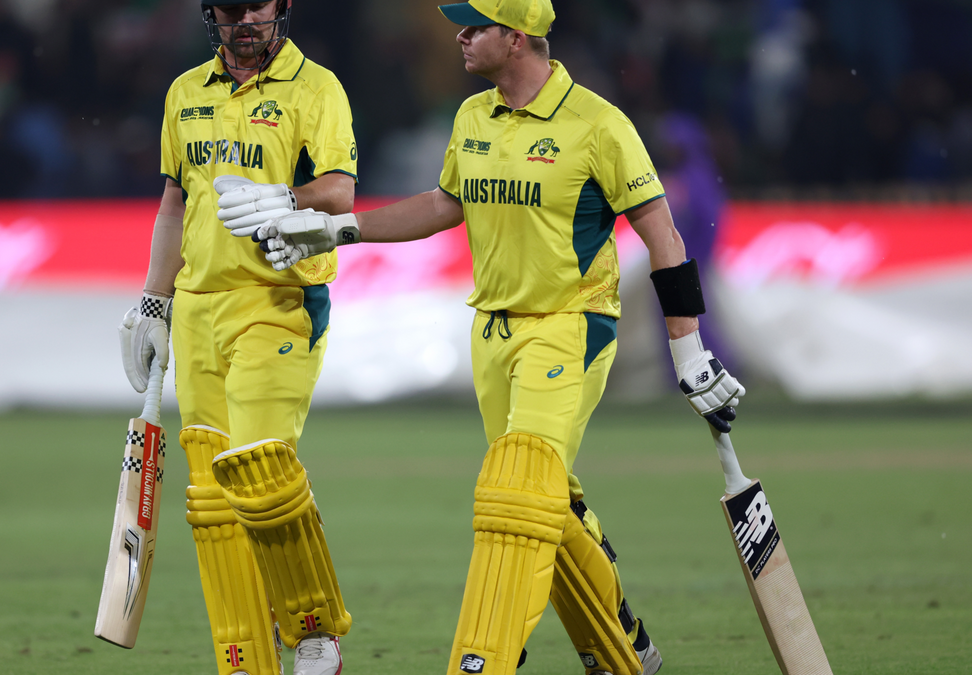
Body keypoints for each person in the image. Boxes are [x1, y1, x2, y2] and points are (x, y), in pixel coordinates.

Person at [217, 1, 745, 674]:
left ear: (516, 37)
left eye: (474, 26)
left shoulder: (598, 125)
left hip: (570, 326)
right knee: (548, 494)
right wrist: (339, 230)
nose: (460, 37)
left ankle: (484, 660)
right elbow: (443, 206)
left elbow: (664, 238)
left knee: (517, 492)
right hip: (491, 331)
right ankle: (624, 649)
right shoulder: (472, 116)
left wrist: (689, 351)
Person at [118, 2, 358, 674]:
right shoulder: (185, 92)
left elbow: (340, 190)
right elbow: (175, 202)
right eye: (229, 9)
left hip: (279, 300)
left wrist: (285, 198)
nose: (243, 20)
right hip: (197, 309)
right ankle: (245, 657)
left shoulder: (316, 87)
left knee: (259, 466)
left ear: (283, 7)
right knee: (212, 498)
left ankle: (314, 629)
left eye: (256, 6)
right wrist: (154, 301)